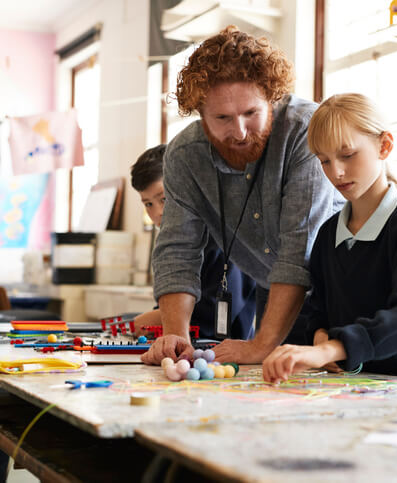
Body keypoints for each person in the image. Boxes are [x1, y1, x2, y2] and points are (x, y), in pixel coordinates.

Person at [141, 26, 343, 365]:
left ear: (272, 97)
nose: (239, 131)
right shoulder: (184, 156)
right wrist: (175, 335)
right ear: (200, 113)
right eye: (222, 118)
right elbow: (177, 250)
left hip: (344, 298)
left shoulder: (306, 130)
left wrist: (261, 344)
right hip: (275, 296)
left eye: (251, 113)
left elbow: (299, 250)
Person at [262, 93, 397, 386]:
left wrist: (331, 348)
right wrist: (320, 336)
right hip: (366, 384)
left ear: (384, 146)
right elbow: (319, 310)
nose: (336, 172)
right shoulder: (328, 234)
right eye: (324, 161)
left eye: (347, 155)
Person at [130, 144, 256, 339]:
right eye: (148, 204)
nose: (158, 213)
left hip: (225, 355)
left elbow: (213, 315)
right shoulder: (172, 247)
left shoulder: (223, 237)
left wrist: (153, 318)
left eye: (163, 199)